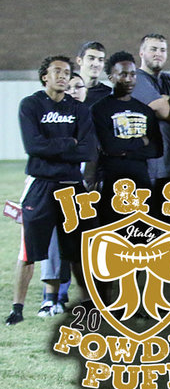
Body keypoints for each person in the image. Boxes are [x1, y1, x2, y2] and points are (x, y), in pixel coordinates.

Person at [6, 56, 95, 325]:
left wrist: (53, 146)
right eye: (57, 71)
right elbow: (33, 146)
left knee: (77, 252)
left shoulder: (79, 110)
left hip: (71, 188)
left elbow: (88, 150)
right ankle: (17, 309)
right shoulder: (31, 105)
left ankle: (88, 306)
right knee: (29, 252)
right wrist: (69, 142)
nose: (62, 76)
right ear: (44, 75)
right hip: (40, 185)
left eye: (67, 73)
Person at [90, 51, 161, 198]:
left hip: (141, 182)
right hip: (111, 181)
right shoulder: (98, 109)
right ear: (111, 78)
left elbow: (157, 149)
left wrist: (124, 152)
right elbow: (109, 146)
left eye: (133, 74)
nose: (129, 79)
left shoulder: (145, 110)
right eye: (123, 74)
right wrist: (141, 141)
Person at [130, 34, 170, 190]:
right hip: (151, 169)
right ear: (141, 53)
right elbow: (161, 109)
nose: (158, 53)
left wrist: (167, 100)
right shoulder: (136, 79)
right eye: (153, 49)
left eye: (163, 50)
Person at [75, 41, 110, 107]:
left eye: (100, 60)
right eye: (91, 58)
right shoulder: (67, 91)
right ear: (79, 61)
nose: (96, 64)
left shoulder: (108, 94)